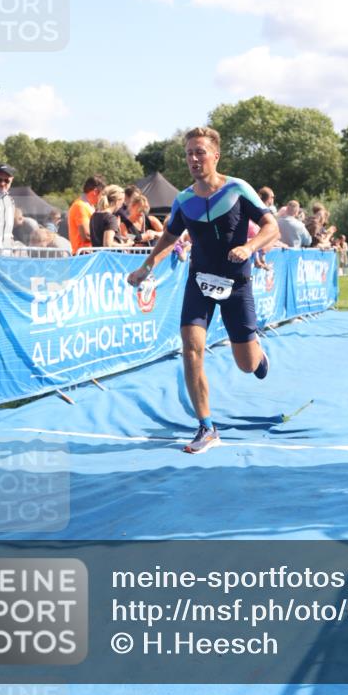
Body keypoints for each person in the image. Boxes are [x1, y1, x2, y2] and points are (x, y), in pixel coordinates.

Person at [128, 126, 279, 455]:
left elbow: (272, 226)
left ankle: (257, 354)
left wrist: (250, 247)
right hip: (200, 283)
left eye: (200, 152)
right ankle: (207, 426)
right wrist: (146, 267)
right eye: (189, 154)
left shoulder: (238, 189)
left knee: (246, 364)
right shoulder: (183, 200)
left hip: (237, 285)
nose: (194, 159)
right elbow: (168, 238)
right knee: (192, 348)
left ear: (215, 156)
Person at [67, 175, 105, 254]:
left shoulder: (89, 206)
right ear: (95, 191)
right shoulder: (80, 206)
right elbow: (86, 235)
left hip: (89, 254)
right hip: (83, 255)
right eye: (102, 194)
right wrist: (107, 239)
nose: (102, 197)